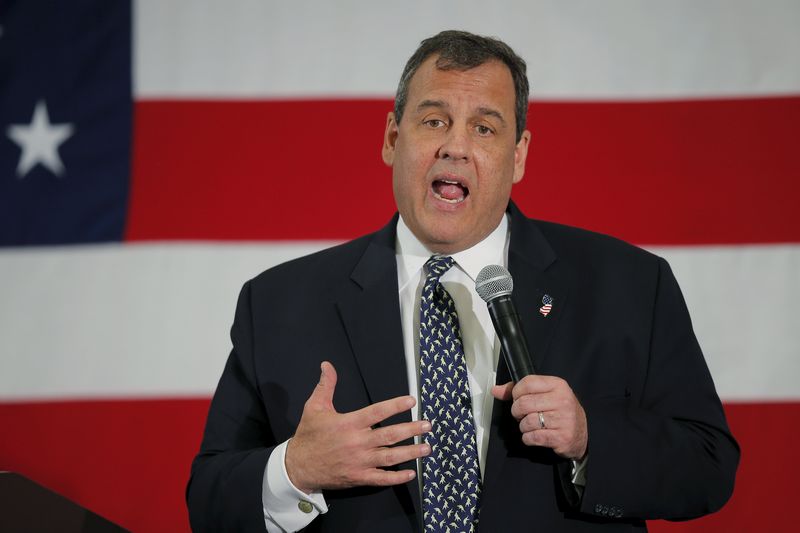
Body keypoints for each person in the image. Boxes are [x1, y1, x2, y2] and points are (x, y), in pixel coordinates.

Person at [187, 30, 739, 532]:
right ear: (391, 138)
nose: (455, 145)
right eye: (433, 121)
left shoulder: (630, 285)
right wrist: (296, 469)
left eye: (484, 127)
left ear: (518, 155)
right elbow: (209, 501)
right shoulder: (280, 303)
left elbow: (709, 467)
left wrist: (590, 438)